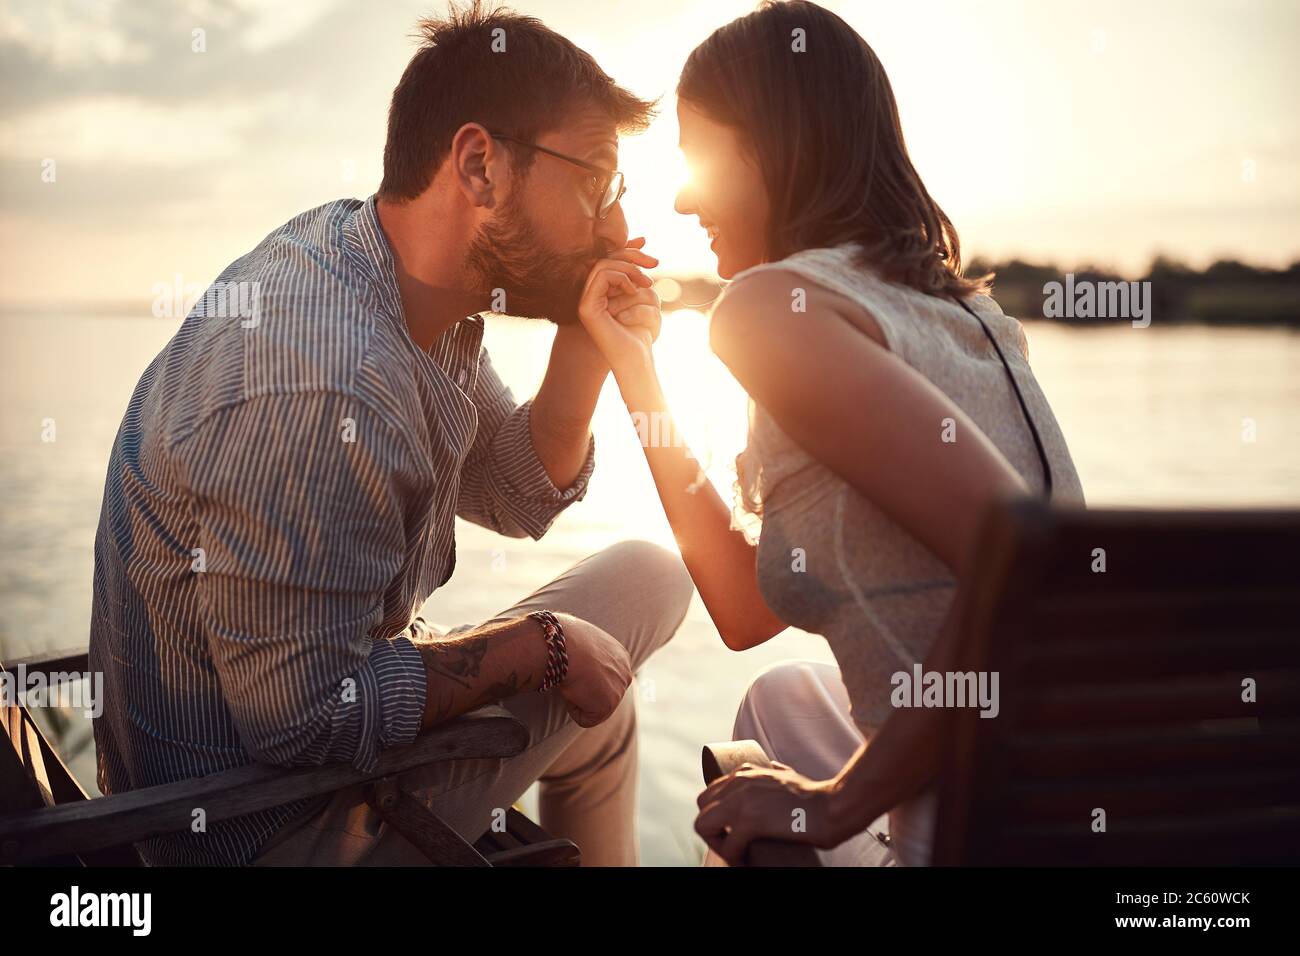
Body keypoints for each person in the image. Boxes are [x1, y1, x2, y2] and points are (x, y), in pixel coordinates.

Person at [88, 2, 692, 867]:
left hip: (299, 763)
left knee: (625, 647)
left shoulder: (397, 283)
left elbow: (516, 491)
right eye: (596, 181)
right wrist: (535, 646)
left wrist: (589, 345)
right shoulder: (330, 379)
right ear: (479, 166)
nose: (614, 225)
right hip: (260, 828)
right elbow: (303, 722)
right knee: (631, 617)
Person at [575, 0, 1085, 866]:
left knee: (755, 782)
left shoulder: (772, 310)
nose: (683, 193)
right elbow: (743, 610)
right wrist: (636, 371)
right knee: (779, 700)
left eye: (699, 154)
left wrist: (835, 803)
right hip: (1079, 774)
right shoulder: (967, 313)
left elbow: (1019, 554)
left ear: (775, 148)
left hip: (982, 823)